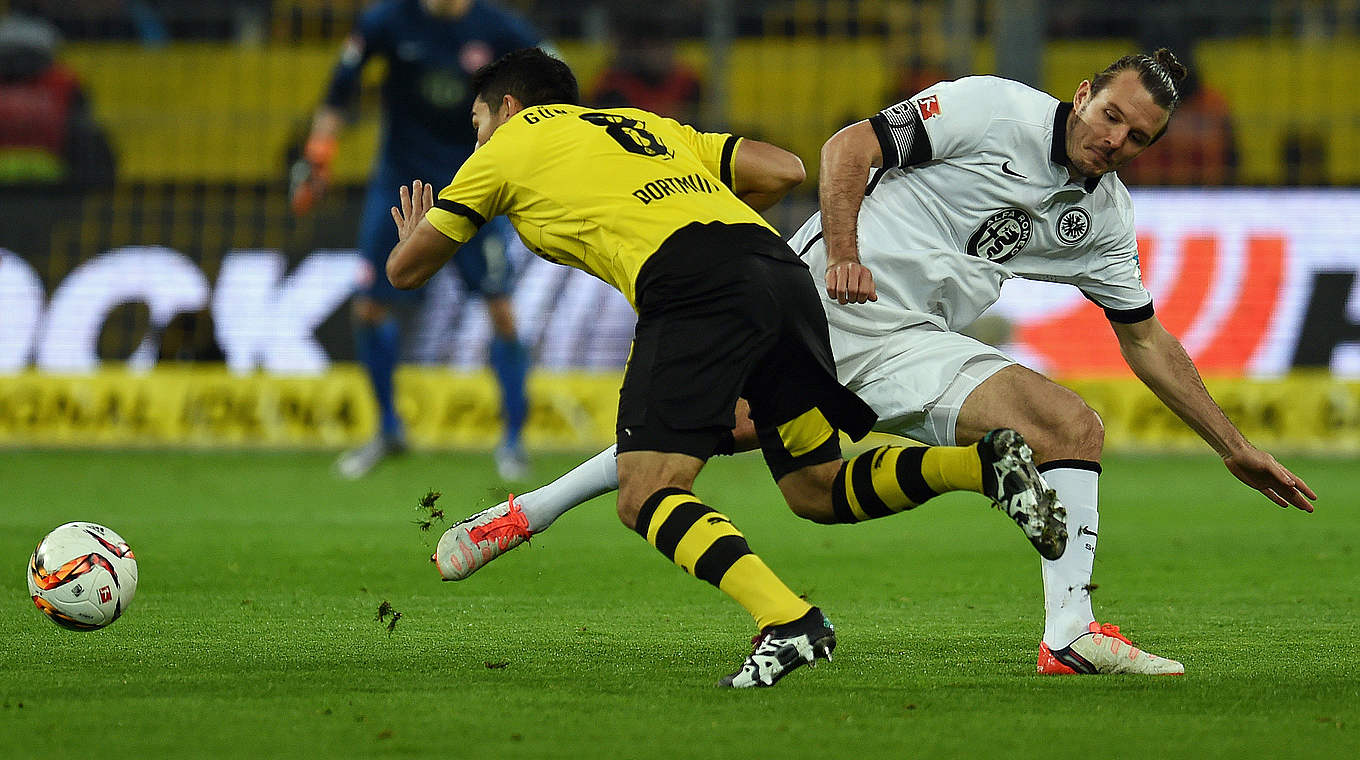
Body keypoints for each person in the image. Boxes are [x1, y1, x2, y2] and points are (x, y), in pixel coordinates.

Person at [437, 49, 1318, 677]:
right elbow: (847, 148)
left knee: (1067, 426)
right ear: (1083, 93)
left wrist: (1230, 444)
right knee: (716, 444)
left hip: (914, 343)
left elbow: (1147, 338)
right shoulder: (993, 107)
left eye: (1139, 137)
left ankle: (1069, 635)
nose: (1116, 139)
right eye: (1111, 114)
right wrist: (849, 251)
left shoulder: (1104, 220)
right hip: (824, 296)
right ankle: (527, 512)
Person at [395, 48, 1067, 688]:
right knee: (814, 487)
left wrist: (412, 235)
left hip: (692, 287)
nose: (477, 139)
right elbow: (781, 170)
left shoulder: (509, 145)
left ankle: (788, 621)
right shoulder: (643, 126)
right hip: (778, 270)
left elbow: (407, 270)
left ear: (507, 107)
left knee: (645, 492)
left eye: (477, 124)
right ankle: (982, 466)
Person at [290, 0, 540, 480]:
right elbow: (340, 89)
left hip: (475, 184)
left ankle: (513, 440)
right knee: (368, 307)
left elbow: (553, 85)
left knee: (501, 310)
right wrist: (318, 158)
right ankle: (387, 428)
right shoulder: (387, 21)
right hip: (400, 183)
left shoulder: (500, 29)